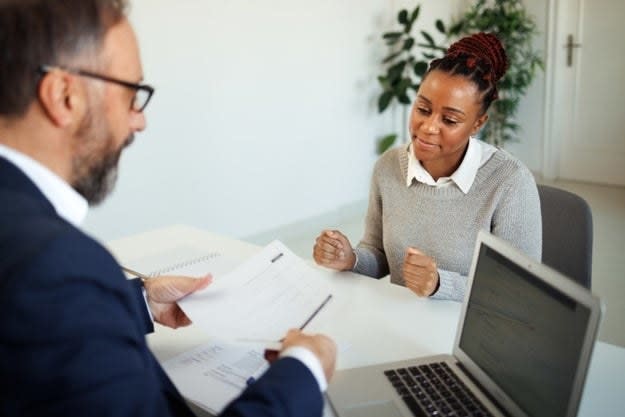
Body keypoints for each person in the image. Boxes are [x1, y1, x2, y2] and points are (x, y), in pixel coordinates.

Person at [0, 1, 336, 416]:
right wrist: (304, 372)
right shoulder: (59, 267)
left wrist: (138, 302)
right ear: (64, 95)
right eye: (132, 95)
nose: (139, 122)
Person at [313, 32, 541, 302]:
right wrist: (350, 259)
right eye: (423, 109)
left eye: (449, 119)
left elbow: (518, 288)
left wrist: (440, 284)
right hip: (403, 320)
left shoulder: (510, 181)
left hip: (469, 332)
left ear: (478, 124)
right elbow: (379, 254)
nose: (429, 127)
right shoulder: (388, 167)